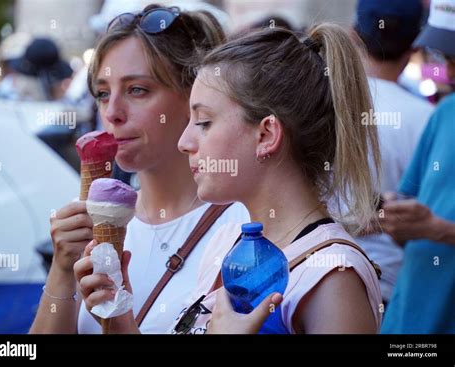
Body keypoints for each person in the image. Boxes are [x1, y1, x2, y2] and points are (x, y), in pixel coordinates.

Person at [88, 23, 384, 334]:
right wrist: (119, 318)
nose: (184, 142)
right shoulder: (226, 244)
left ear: (266, 134)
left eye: (204, 122)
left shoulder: (332, 274)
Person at [30, 4, 249, 334]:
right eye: (103, 94)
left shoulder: (242, 229)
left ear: (195, 97)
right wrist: (62, 269)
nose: (113, 113)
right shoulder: (97, 222)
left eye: (137, 90)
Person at [380, 0, 455, 334]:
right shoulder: (444, 113)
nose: (448, 71)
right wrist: (399, 219)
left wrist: (438, 230)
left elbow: (432, 226)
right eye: (445, 56)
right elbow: (411, 207)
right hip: (407, 322)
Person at [353, 0, 434, 304]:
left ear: (353, 35)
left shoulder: (320, 101)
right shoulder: (428, 117)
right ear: (416, 45)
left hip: (316, 276)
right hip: (393, 288)